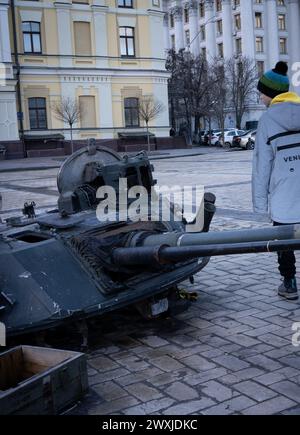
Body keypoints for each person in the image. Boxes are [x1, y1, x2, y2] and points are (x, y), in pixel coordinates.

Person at [253, 61, 300, 301]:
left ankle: (289, 283)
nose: (260, 97)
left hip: (283, 196)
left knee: (284, 241)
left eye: (261, 93)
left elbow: (262, 167)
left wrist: (260, 206)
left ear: (271, 94)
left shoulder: (267, 121)